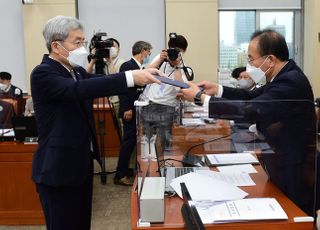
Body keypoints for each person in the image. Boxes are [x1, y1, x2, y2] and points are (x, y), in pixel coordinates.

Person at [31, 15, 161, 230]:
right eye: (77, 42)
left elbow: (100, 83)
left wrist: (142, 73)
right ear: (56, 45)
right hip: (57, 168)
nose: (82, 48)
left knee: (82, 223)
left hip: (80, 165)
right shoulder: (44, 73)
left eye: (83, 42)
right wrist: (130, 77)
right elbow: (77, 90)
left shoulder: (76, 71)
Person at [181, 29, 317, 217]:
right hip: (281, 162)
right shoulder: (280, 76)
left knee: (296, 218)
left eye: (251, 58)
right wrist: (218, 90)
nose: (249, 64)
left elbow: (251, 109)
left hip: (294, 168)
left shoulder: (290, 81)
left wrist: (200, 98)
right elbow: (249, 96)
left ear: (270, 60)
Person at [140, 34, 190, 152]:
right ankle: (149, 166)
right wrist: (160, 59)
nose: (174, 53)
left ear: (183, 51)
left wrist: (177, 66)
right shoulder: (160, 57)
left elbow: (180, 87)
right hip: (149, 103)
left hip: (167, 106)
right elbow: (145, 73)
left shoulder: (181, 63)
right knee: (146, 141)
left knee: (165, 140)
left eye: (178, 50)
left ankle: (164, 166)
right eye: (173, 49)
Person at [114, 41, 152, 185]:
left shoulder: (139, 67)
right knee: (128, 142)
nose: (149, 55)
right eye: (148, 52)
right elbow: (123, 89)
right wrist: (126, 108)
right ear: (142, 50)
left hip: (138, 109)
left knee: (132, 142)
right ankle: (120, 174)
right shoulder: (128, 65)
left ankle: (127, 169)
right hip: (129, 110)